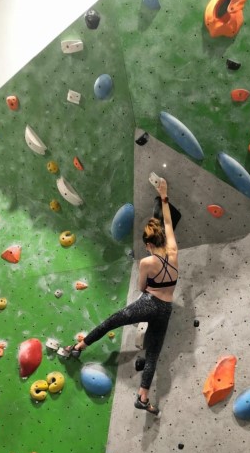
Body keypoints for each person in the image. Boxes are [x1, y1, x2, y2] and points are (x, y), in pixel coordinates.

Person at [66, 177, 178, 416]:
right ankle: (143, 396)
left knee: (113, 321)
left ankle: (79, 346)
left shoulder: (148, 261)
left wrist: (147, 284)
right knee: (153, 354)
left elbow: (141, 288)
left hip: (149, 303)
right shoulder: (174, 253)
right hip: (166, 310)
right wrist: (164, 195)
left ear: (148, 244)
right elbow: (167, 222)